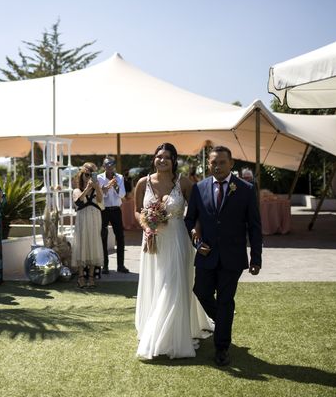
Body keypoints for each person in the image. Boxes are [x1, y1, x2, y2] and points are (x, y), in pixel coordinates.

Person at [134, 143, 214, 359]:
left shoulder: (184, 183)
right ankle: (154, 327)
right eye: (158, 156)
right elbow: (136, 211)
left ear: (173, 161)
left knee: (173, 286)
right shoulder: (143, 183)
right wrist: (146, 227)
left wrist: (196, 233)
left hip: (178, 239)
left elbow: (197, 213)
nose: (162, 160)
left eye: (167, 158)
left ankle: (168, 338)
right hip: (152, 242)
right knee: (157, 284)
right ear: (154, 159)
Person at [185, 145, 262, 366]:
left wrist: (256, 257)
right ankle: (224, 324)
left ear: (231, 164)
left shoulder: (246, 189)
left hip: (233, 256)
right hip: (206, 254)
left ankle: (222, 348)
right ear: (207, 164)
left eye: (221, 162)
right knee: (201, 291)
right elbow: (190, 220)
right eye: (213, 162)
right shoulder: (199, 188)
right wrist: (196, 241)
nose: (217, 166)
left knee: (226, 300)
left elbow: (255, 226)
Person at [71, 163, 103, 288]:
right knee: (82, 244)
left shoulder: (97, 187)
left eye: (91, 175)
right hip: (82, 219)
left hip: (95, 218)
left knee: (93, 244)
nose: (88, 177)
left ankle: (91, 277)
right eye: (86, 174)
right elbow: (78, 202)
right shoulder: (77, 190)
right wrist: (87, 189)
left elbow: (100, 201)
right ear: (82, 175)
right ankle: (80, 277)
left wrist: (97, 187)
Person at [97, 157, 128, 274]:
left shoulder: (119, 177)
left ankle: (121, 265)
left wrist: (115, 186)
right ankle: (105, 265)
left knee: (120, 237)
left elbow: (122, 194)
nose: (110, 168)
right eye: (107, 165)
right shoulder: (100, 178)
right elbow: (98, 195)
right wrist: (104, 190)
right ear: (103, 167)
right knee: (103, 236)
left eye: (112, 165)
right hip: (104, 210)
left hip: (116, 210)